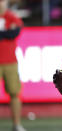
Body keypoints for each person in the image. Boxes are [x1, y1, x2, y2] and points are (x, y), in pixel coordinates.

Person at [0, 0, 25, 131]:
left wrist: (3, 34)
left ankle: (16, 124)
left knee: (15, 93)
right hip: (8, 61)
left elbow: (14, 33)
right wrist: (5, 33)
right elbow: (9, 33)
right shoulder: (10, 18)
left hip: (10, 61)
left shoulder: (11, 17)